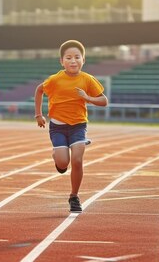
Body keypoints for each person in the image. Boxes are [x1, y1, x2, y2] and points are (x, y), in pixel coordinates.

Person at [34, 40, 108, 213]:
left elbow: (104, 101)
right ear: (62, 61)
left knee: (77, 160)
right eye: (68, 57)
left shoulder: (87, 79)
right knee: (63, 163)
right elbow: (39, 90)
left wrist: (88, 98)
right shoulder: (55, 80)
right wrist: (38, 114)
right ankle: (57, 156)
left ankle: (74, 196)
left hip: (78, 126)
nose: (73, 61)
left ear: (83, 60)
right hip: (58, 126)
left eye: (77, 57)